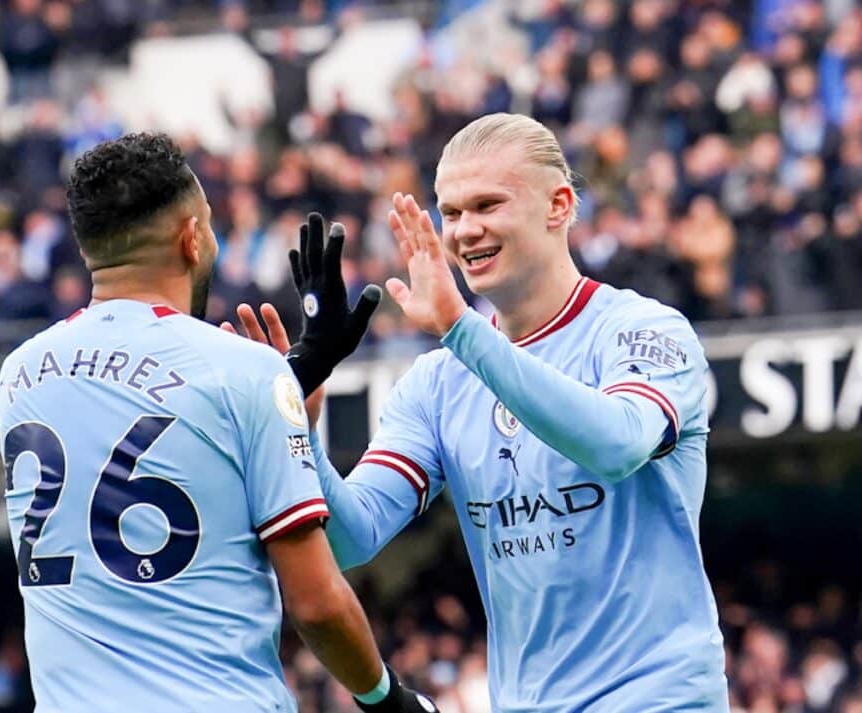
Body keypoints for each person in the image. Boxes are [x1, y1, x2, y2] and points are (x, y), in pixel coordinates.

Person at [234, 113, 729, 711]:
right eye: (450, 213)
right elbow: (350, 537)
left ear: (558, 206)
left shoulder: (642, 330)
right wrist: (299, 427)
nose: (465, 231)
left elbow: (617, 444)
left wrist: (461, 331)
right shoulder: (437, 382)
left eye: (487, 205)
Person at [0, 133, 436, 713]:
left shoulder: (20, 376)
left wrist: (284, 420)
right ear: (192, 236)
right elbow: (317, 604)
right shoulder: (243, 371)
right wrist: (388, 699)